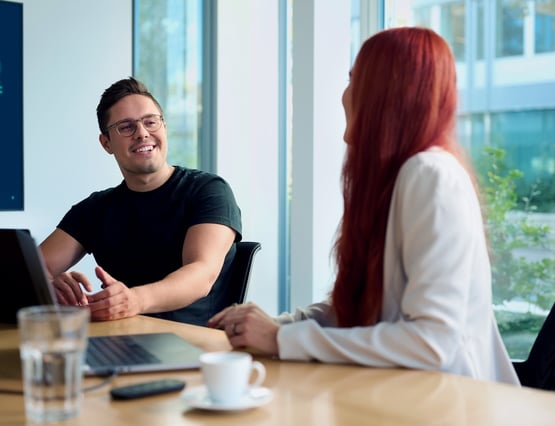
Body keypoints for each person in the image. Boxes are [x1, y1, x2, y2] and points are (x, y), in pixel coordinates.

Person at [208, 27, 519, 384]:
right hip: (404, 393)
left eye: (355, 79)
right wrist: (276, 326)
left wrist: (281, 339)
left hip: (453, 402)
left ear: (385, 94)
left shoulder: (430, 175)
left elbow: (432, 343)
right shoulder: (398, 178)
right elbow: (363, 305)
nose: (344, 95)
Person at [40, 77, 242, 326]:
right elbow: (32, 269)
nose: (142, 133)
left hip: (193, 344)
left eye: (150, 122)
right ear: (106, 143)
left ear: (164, 127)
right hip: (120, 341)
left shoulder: (208, 191)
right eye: (126, 127)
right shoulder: (95, 209)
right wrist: (49, 284)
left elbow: (202, 273)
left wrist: (134, 300)